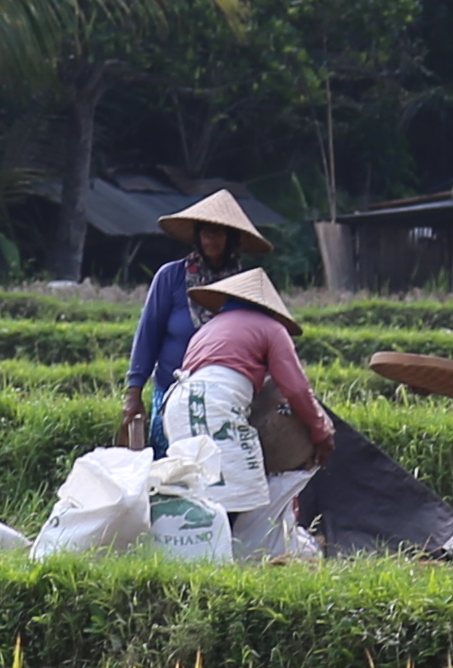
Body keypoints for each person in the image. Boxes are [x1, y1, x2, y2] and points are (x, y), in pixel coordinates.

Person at [148, 262, 335, 563]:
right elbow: (296, 389)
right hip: (216, 405)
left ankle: (189, 554)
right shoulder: (271, 328)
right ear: (269, 308)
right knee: (235, 494)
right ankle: (230, 560)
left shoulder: (207, 329)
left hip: (179, 405)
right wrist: (321, 432)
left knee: (197, 485)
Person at [117, 187, 266, 443]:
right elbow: (148, 334)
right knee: (170, 469)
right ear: (197, 235)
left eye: (218, 232)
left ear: (232, 237)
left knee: (217, 470)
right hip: (171, 391)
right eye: (205, 231)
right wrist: (134, 393)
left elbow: (260, 340)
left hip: (225, 398)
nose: (211, 239)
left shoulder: (246, 285)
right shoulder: (171, 277)